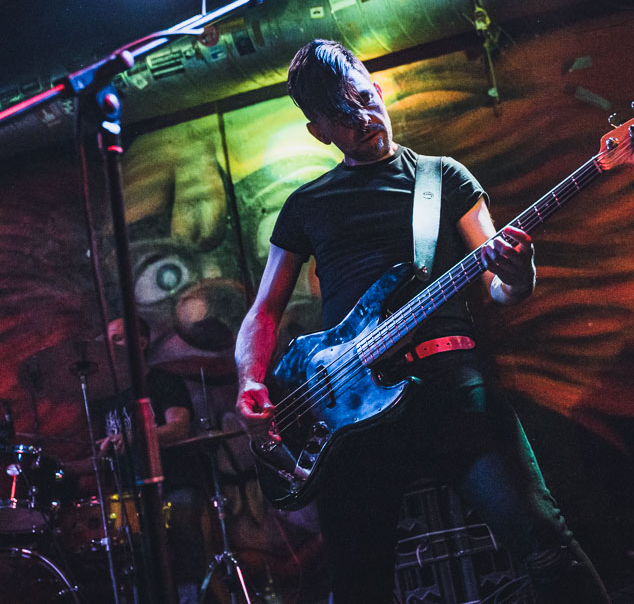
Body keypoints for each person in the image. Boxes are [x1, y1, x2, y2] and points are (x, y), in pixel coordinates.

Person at [235, 39, 610, 603]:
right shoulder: (306, 206)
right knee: (358, 587)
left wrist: (520, 273)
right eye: (343, 116)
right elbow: (264, 310)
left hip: (451, 387)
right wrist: (250, 380)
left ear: (377, 89)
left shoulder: (444, 178)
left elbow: (500, 286)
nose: (365, 120)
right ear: (319, 132)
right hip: (346, 410)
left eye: (365, 100)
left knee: (544, 543)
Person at [66, 317, 208, 604]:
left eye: (117, 338)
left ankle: (191, 597)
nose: (110, 346)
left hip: (174, 485)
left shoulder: (164, 381)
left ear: (140, 343)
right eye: (107, 340)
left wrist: (133, 437)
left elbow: (179, 427)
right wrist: (59, 467)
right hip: (129, 495)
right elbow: (102, 454)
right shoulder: (106, 398)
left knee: (183, 521)